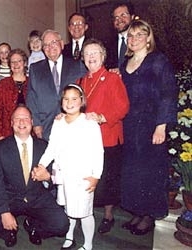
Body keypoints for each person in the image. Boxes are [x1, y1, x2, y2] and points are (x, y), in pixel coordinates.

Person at [0, 105, 69, 248]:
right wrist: (4, 212)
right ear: (11, 123)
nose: (22, 122)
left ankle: (33, 227)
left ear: (32, 122)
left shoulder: (44, 146)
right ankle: (9, 232)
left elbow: (55, 175)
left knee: (62, 225)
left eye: (25, 118)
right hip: (10, 198)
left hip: (37, 197)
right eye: (17, 119)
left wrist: (47, 177)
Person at [120, 19, 177, 235]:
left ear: (148, 38)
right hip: (130, 126)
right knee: (133, 171)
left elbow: (168, 94)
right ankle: (137, 210)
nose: (134, 39)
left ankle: (149, 216)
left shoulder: (158, 61)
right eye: (130, 36)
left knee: (151, 171)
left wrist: (161, 126)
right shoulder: (124, 64)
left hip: (152, 125)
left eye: (139, 35)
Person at [38, 84, 104, 250]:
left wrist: (96, 176)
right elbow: (52, 147)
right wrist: (41, 164)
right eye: (66, 99)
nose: (70, 102)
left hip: (83, 177)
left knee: (84, 211)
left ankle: (88, 244)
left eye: (74, 99)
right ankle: (69, 236)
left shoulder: (89, 123)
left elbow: (98, 151)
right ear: (61, 102)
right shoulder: (59, 122)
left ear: (81, 101)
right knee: (69, 208)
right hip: (63, 175)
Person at [78, 38, 130, 234]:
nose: (90, 57)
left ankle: (108, 215)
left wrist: (102, 117)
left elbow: (123, 107)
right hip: (87, 140)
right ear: (83, 59)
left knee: (108, 179)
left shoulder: (112, 78)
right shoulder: (81, 81)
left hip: (108, 136)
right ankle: (87, 213)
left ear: (103, 56)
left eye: (95, 53)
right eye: (87, 54)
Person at [26, 29, 87, 141]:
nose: (50, 47)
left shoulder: (77, 66)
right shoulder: (35, 69)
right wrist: (36, 124)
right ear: (43, 49)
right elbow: (31, 98)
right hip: (45, 126)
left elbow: (86, 93)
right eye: (46, 45)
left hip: (73, 124)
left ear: (62, 44)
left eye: (54, 42)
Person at [0, 48, 28, 140]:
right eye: (13, 62)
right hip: (7, 132)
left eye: (19, 61)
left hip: (28, 132)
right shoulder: (3, 83)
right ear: (9, 65)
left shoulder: (32, 82)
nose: (16, 64)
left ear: (24, 63)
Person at [105, 1, 135, 70]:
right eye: (116, 17)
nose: (119, 20)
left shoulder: (140, 40)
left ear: (132, 17)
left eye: (123, 15)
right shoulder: (108, 44)